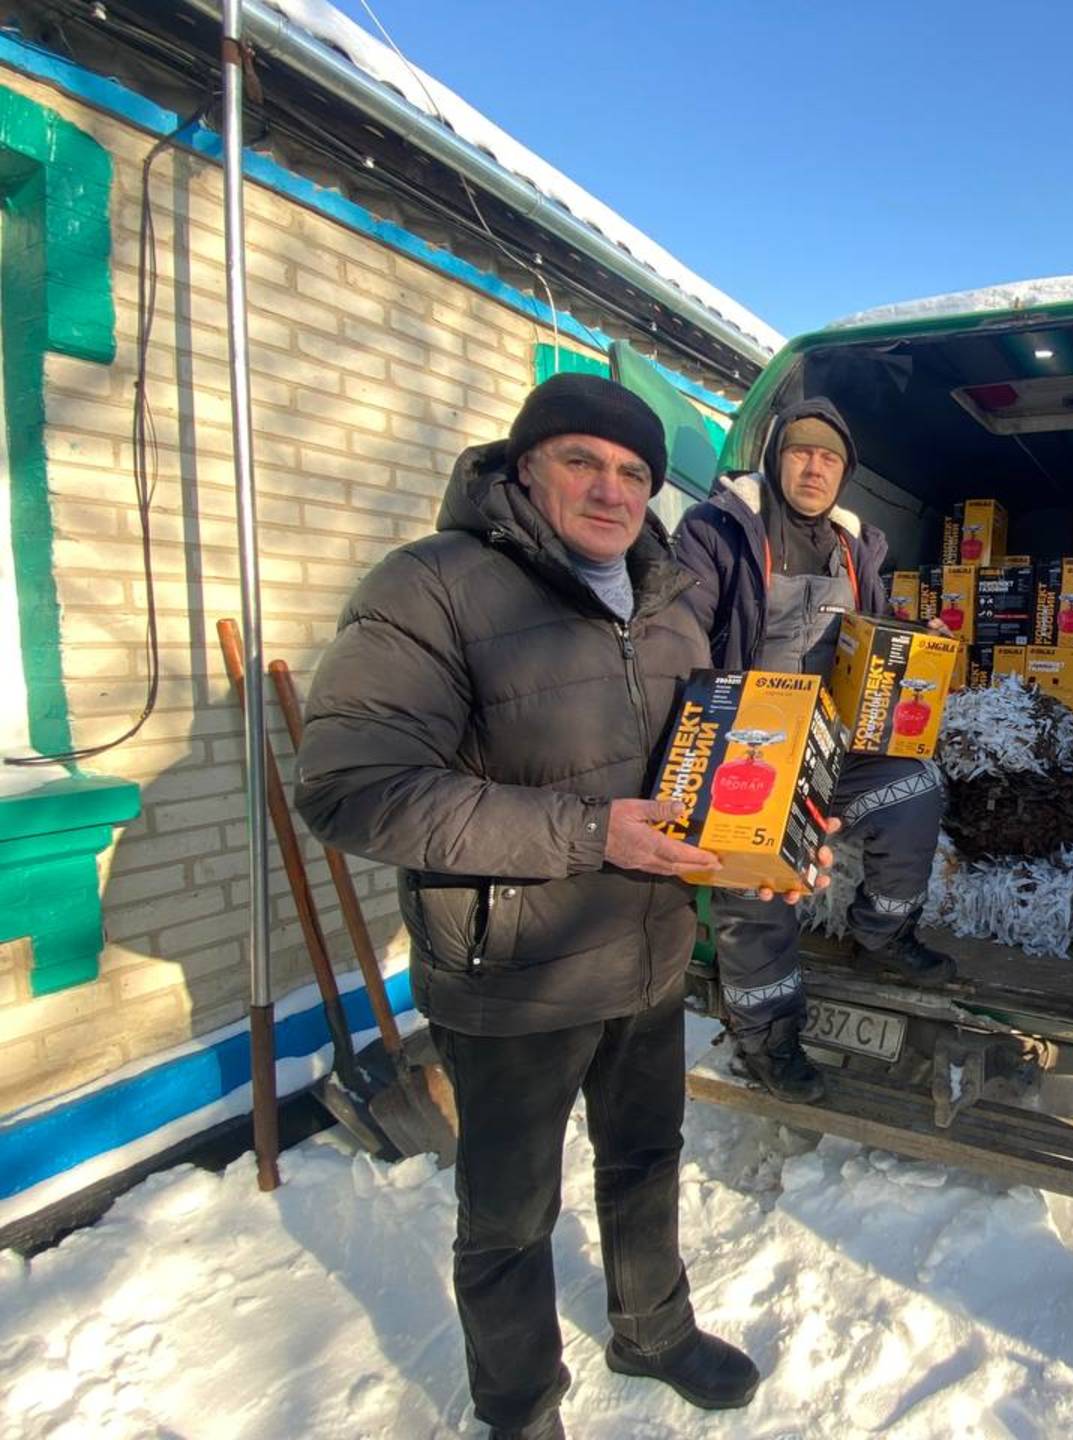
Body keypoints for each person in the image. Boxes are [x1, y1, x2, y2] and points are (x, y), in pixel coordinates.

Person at [295, 374, 831, 1440]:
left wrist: (758, 838)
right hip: (514, 974)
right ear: (524, 465)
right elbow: (352, 787)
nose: (611, 488)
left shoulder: (670, 599)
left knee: (646, 1158)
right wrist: (590, 832)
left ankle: (652, 1329)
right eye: (582, 460)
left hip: (646, 949)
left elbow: (701, 765)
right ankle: (519, 1406)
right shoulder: (432, 587)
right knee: (508, 1215)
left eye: (635, 470)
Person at [676, 397, 957, 1103]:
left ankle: (882, 932)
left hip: (832, 735)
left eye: (829, 458)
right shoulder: (718, 531)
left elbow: (873, 633)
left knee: (915, 787)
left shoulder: (855, 545)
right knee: (755, 878)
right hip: (749, 734)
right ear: (775, 457)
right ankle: (767, 1034)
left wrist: (911, 637)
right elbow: (679, 632)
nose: (814, 467)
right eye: (801, 452)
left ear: (844, 473)